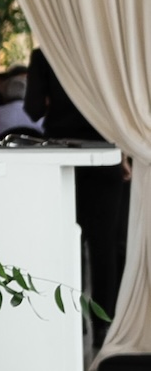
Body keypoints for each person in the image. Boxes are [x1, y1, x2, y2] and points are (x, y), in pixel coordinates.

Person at [24, 48, 132, 347]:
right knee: (105, 247)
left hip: (62, 153)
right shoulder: (104, 47)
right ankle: (103, 325)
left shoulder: (45, 54)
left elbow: (32, 109)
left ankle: (69, 321)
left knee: (64, 241)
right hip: (106, 149)